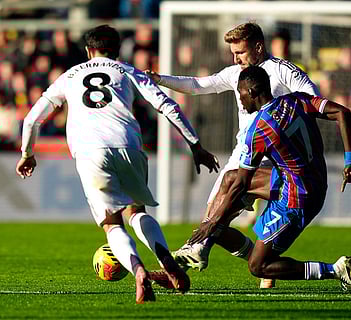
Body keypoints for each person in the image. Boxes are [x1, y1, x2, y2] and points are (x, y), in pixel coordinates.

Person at [15, 25, 219, 304]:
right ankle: (167, 261)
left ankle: (138, 271)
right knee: (137, 211)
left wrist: (27, 153)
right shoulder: (129, 71)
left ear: (89, 51)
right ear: (118, 49)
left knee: (112, 223)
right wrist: (195, 145)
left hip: (90, 152)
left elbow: (32, 119)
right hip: (129, 145)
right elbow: (168, 105)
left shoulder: (70, 76)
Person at [147, 22, 320, 288]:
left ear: (258, 47)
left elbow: (313, 98)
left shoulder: (283, 71)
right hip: (243, 155)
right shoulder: (235, 73)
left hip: (274, 160)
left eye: (239, 52)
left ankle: (187, 264)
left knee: (214, 219)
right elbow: (197, 85)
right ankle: (259, 268)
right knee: (213, 220)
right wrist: (160, 79)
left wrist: (286, 123)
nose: (234, 58)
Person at [188, 65, 351, 292]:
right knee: (229, 178)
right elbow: (343, 112)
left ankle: (335, 269)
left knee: (258, 265)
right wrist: (350, 161)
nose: (240, 99)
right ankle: (206, 242)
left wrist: (211, 223)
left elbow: (243, 183)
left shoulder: (259, 130)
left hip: (297, 197)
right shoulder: (297, 101)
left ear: (252, 93)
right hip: (313, 179)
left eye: (240, 93)